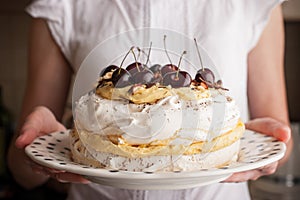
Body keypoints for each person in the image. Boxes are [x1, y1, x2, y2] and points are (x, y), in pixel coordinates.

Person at [8, 0, 292, 199]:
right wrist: (36, 147)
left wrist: (272, 141)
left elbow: (280, 138)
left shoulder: (252, 3)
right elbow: (22, 171)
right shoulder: (62, 5)